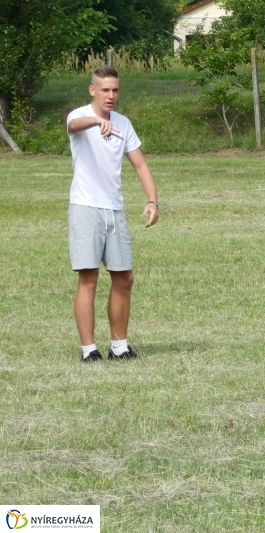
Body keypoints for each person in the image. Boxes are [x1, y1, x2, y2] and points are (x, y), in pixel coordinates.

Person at [67, 65, 159, 362]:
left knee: (124, 278)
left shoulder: (123, 124)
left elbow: (140, 165)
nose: (111, 96)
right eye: (105, 90)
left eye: (115, 90)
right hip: (86, 207)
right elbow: (73, 126)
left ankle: (119, 347)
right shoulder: (78, 116)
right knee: (89, 278)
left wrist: (153, 201)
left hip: (115, 210)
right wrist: (95, 121)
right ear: (92, 90)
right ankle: (88, 350)